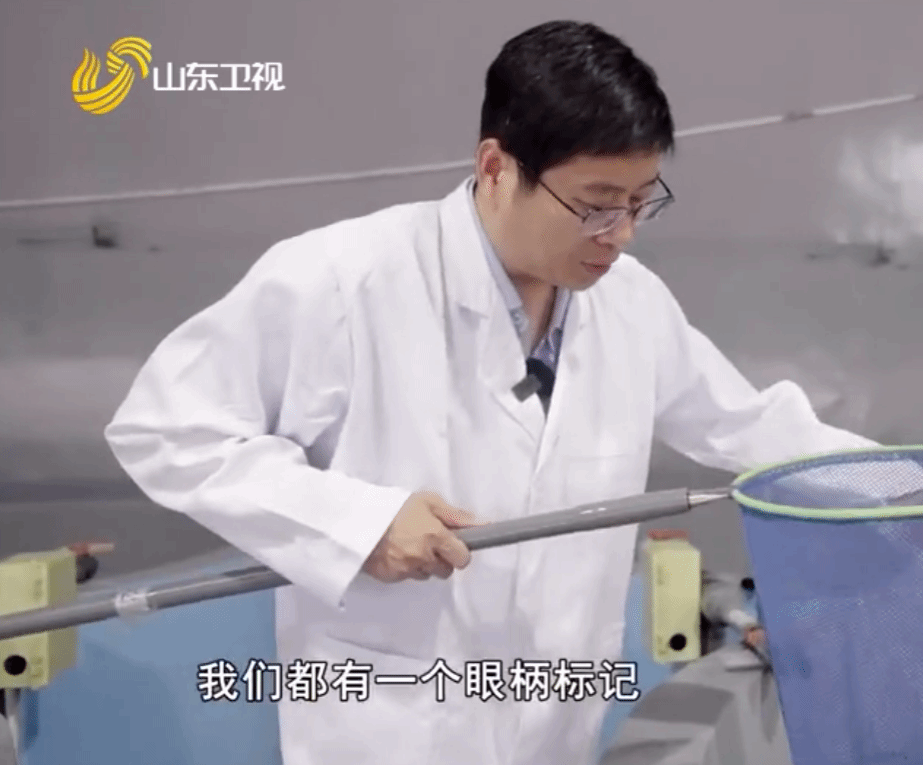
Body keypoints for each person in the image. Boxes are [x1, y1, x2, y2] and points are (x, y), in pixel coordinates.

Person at [104, 19, 877, 765]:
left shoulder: (630, 302)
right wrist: (356, 522)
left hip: (556, 730)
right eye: (597, 204)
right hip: (391, 733)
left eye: (642, 201)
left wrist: (913, 488)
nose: (622, 232)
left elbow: (752, 429)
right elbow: (165, 430)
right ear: (497, 168)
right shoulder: (342, 281)